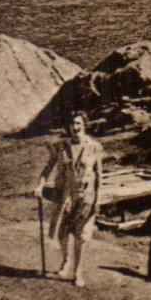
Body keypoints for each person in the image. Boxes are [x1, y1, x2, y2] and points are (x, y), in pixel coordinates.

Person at [34, 111, 105, 287]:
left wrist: (97, 201)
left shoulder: (94, 147)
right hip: (65, 197)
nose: (75, 127)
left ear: (84, 125)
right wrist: (40, 185)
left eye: (78, 123)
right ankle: (66, 262)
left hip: (86, 198)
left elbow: (99, 176)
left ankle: (78, 272)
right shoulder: (61, 147)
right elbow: (47, 169)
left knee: (81, 236)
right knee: (62, 234)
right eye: (72, 124)